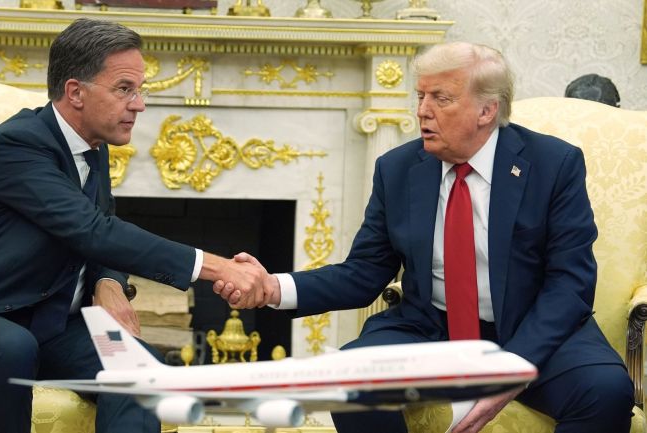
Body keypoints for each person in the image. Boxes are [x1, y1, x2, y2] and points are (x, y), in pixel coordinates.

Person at [216, 42, 634, 433]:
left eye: (441, 98)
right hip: (430, 327)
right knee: (350, 383)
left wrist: (514, 366)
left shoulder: (553, 165)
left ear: (487, 110)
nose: (422, 111)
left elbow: (569, 282)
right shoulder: (398, 169)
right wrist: (274, 287)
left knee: (606, 392)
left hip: (533, 328)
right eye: (420, 97)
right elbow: (364, 272)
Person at [0, 18, 268, 433]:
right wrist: (218, 268)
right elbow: (92, 230)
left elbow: (98, 228)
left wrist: (108, 281)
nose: (139, 105)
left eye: (140, 90)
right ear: (76, 92)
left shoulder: (93, 147)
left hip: (54, 326)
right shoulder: (16, 145)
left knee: (142, 372)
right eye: (124, 89)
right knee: (12, 345)